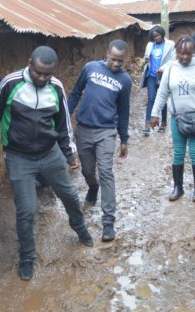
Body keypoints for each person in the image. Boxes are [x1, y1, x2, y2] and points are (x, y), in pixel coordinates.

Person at [0, 46, 93, 281]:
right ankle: (27, 257)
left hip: (50, 154)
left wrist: (70, 154)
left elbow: (63, 125)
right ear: (30, 63)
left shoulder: (56, 87)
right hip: (19, 158)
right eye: (38, 73)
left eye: (47, 74)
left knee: (69, 194)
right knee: (26, 211)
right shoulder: (10, 83)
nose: (42, 78)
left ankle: (80, 228)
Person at [68, 39, 131, 242]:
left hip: (106, 131)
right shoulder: (90, 68)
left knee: (106, 172)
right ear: (107, 54)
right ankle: (92, 187)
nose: (116, 64)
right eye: (113, 60)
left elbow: (123, 111)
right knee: (87, 171)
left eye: (120, 61)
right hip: (84, 129)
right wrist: (65, 116)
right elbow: (76, 92)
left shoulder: (125, 80)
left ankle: (108, 222)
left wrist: (124, 138)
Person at [150, 36, 195, 202]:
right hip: (177, 118)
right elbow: (162, 92)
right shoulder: (171, 68)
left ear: (193, 52)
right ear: (176, 52)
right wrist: (155, 113)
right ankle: (177, 188)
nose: (185, 57)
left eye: (188, 53)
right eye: (181, 53)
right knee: (178, 153)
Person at [141, 26, 176, 136]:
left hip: (163, 76)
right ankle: (147, 124)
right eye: (153, 37)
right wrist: (145, 61)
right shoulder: (150, 45)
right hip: (151, 76)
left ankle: (163, 123)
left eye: (157, 36)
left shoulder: (170, 44)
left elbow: (173, 59)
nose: (156, 38)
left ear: (162, 34)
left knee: (163, 99)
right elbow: (147, 58)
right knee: (151, 98)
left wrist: (163, 68)